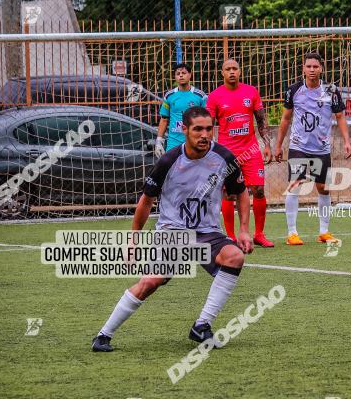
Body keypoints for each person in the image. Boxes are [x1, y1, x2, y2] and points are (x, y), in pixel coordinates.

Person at [91, 106, 254, 352]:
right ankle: (104, 335)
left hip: (207, 232)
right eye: (198, 129)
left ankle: (202, 325)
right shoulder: (168, 160)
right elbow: (146, 201)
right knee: (151, 282)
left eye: (209, 129)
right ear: (184, 130)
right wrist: (133, 238)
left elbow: (241, 193)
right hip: (173, 232)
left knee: (234, 257)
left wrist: (243, 229)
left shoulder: (225, 158)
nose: (204, 135)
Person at [273, 52, 351, 246]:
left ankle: (324, 231)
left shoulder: (331, 90)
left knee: (323, 188)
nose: (312, 70)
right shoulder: (294, 90)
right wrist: (278, 145)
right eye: (308, 66)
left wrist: (347, 141)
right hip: (299, 146)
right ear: (303, 69)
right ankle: (292, 233)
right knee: (295, 185)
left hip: (321, 148)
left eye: (315, 67)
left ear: (321, 69)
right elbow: (285, 119)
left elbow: (340, 116)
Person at [207, 59, 274, 247]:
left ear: (240, 71)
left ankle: (259, 234)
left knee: (258, 190)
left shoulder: (251, 92)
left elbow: (261, 120)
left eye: (235, 68)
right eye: (227, 69)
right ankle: (230, 236)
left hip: (251, 150)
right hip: (227, 153)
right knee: (229, 194)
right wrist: (210, 151)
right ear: (222, 73)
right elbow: (209, 125)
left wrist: (267, 145)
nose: (231, 72)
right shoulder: (215, 96)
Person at [155, 62, 207, 155]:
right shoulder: (169, 96)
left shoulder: (200, 96)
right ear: (175, 77)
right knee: (173, 169)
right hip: (173, 143)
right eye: (178, 74)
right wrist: (159, 141)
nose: (181, 76)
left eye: (184, 73)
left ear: (190, 75)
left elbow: (207, 119)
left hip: (195, 142)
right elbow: (164, 119)